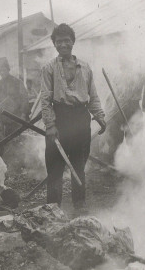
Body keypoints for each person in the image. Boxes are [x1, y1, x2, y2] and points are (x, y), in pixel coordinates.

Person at [40, 23, 106, 212]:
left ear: (73, 42)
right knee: (54, 168)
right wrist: (50, 125)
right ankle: (53, 209)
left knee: (78, 165)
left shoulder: (85, 68)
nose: (63, 45)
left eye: (66, 41)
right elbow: (45, 99)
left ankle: (79, 205)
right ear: (54, 44)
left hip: (80, 120)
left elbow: (92, 96)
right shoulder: (48, 69)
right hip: (59, 118)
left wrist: (99, 116)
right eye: (59, 41)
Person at [0, 57, 30, 136]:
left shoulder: (17, 82)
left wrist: (23, 115)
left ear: (8, 69)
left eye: (3, 70)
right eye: (0, 71)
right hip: (5, 121)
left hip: (17, 118)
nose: (2, 72)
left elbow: (25, 99)